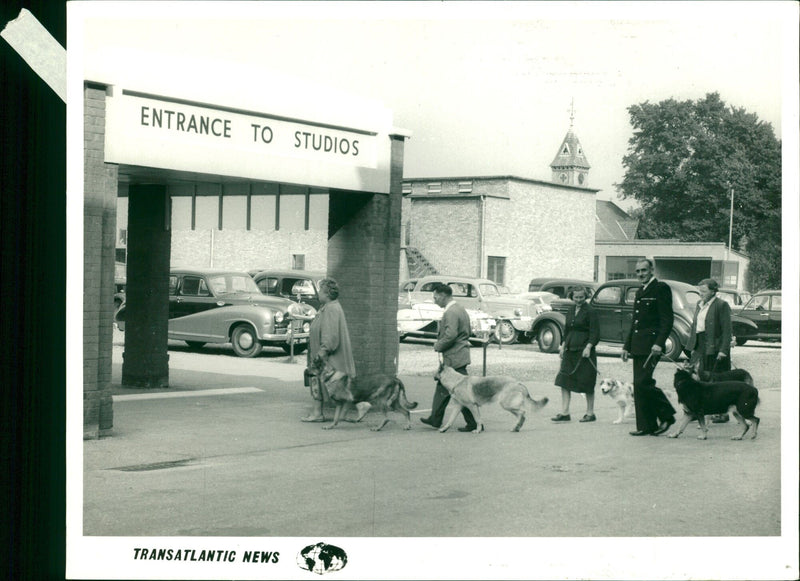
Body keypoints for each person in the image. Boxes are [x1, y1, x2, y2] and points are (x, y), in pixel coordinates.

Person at [621, 259, 677, 436]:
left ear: (652, 270)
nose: (640, 274)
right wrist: (626, 346)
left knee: (643, 383)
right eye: (637, 271)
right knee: (639, 386)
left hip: (652, 346)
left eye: (644, 270)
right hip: (638, 345)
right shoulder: (640, 291)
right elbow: (635, 323)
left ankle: (667, 415)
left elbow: (667, 320)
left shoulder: (661, 288)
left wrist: (659, 343)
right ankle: (646, 426)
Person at [419, 283, 478, 432]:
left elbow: (451, 335)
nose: (434, 300)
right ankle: (436, 418)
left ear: (443, 296)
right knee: (451, 389)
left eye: (436, 297)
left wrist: (439, 345)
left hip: (454, 356)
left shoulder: (451, 312)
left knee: (460, 392)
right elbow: (467, 331)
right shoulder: (460, 309)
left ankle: (473, 423)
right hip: (460, 353)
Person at [301, 278, 356, 423]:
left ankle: (317, 413)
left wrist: (321, 353)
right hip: (320, 354)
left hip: (324, 357)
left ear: (326, 293)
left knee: (329, 385)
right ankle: (317, 412)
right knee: (321, 384)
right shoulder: (328, 307)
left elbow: (330, 336)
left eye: (320, 290)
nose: (318, 293)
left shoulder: (331, 308)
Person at [686, 278, 732, 423]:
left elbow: (727, 330)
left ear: (713, 291)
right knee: (699, 378)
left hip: (715, 345)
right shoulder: (699, 305)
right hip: (700, 343)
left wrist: (724, 350)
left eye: (704, 291)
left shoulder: (721, 305)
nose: (701, 294)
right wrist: (692, 346)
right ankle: (697, 411)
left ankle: (722, 413)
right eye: (699, 291)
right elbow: (695, 326)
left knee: (717, 380)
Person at [551, 286, 599, 423]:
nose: (578, 300)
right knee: (564, 381)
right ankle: (565, 413)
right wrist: (563, 346)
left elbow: (595, 332)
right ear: (572, 296)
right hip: (569, 350)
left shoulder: (591, 311)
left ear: (586, 297)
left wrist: (589, 347)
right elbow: (567, 330)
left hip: (584, 352)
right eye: (576, 297)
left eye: (581, 297)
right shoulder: (571, 309)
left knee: (587, 382)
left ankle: (590, 413)